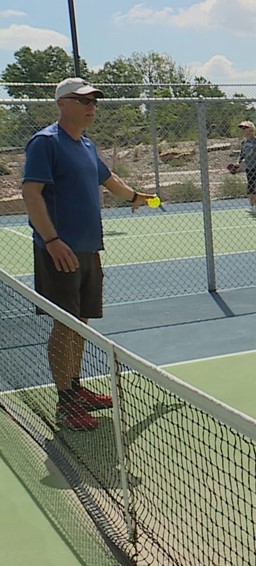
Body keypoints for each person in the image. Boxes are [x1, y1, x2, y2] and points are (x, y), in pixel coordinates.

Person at [21, 78, 157, 431]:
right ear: (62, 103)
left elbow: (108, 179)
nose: (91, 106)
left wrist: (134, 197)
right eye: (83, 101)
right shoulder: (45, 142)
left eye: (94, 101)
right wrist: (52, 240)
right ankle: (66, 403)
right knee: (64, 325)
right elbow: (31, 194)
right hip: (59, 251)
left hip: (88, 249)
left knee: (80, 323)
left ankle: (75, 388)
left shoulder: (86, 145)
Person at [237, 120, 256, 214]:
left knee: (253, 185)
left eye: (245, 128)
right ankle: (252, 206)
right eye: (242, 128)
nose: (243, 130)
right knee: (250, 186)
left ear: (251, 130)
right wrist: (237, 163)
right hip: (248, 166)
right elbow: (241, 155)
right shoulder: (243, 142)